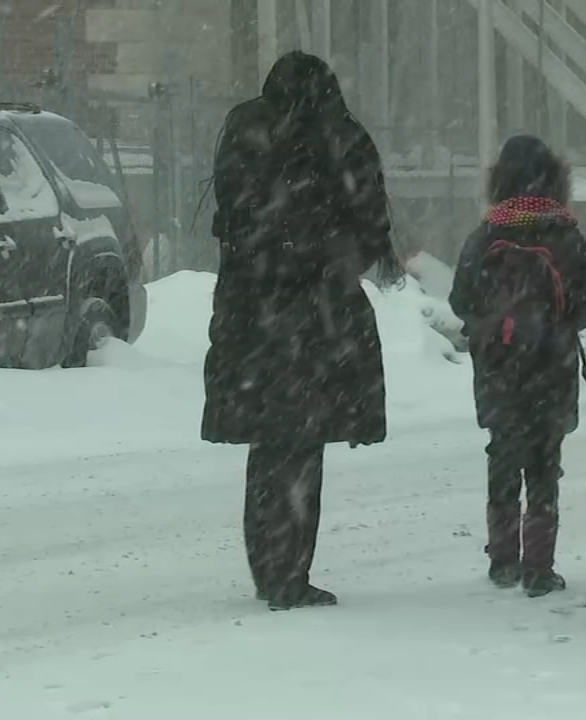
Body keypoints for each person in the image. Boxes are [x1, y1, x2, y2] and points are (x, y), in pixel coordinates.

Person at [202, 51, 401, 611]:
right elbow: (370, 230)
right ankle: (291, 571)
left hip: (251, 314)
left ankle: (269, 569)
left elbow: (234, 221)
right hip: (319, 319)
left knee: (268, 447)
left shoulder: (243, 133)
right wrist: (326, 261)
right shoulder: (341, 140)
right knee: (303, 449)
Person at [448, 135, 586, 597]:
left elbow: (461, 299)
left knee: (502, 454)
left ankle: (502, 560)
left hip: (498, 368)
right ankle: (539, 565)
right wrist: (555, 326)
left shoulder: (486, 236)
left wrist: (495, 326)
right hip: (551, 368)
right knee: (543, 463)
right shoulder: (565, 235)